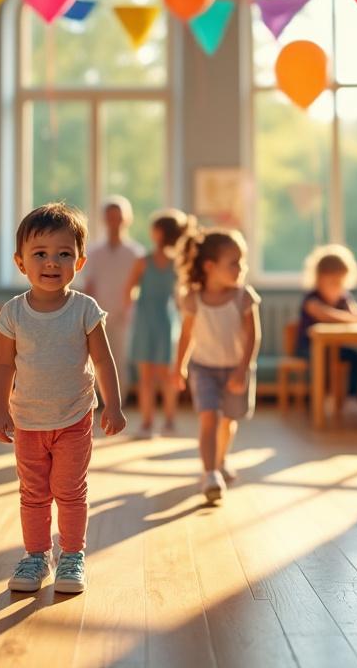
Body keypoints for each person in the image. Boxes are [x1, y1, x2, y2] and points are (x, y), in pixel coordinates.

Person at [0, 203, 124, 595]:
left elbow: (102, 359)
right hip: (28, 422)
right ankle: (36, 555)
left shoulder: (84, 309)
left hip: (73, 418)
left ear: (79, 262)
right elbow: (3, 366)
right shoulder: (13, 313)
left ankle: (71, 555)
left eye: (64, 254)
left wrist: (113, 404)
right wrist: (0, 411)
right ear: (21, 263)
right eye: (40, 254)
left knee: (69, 490)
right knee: (33, 494)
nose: (52, 263)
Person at [172, 227, 261, 504]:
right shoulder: (193, 299)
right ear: (210, 266)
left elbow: (253, 336)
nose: (241, 268)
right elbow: (186, 335)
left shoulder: (243, 296)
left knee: (228, 421)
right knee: (208, 418)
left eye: (242, 261)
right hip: (204, 369)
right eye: (233, 262)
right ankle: (210, 473)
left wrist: (243, 369)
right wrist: (179, 367)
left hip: (235, 368)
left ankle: (221, 460)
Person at [124, 209, 190, 437]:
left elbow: (128, 291)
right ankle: (166, 423)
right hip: (166, 320)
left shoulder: (144, 261)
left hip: (151, 321)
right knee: (165, 376)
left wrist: (132, 310)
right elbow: (182, 299)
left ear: (159, 233)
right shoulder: (176, 264)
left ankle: (148, 424)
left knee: (147, 378)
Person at [81, 196, 144, 402]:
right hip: (97, 314)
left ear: (126, 219)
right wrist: (87, 314)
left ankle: (118, 400)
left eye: (118, 217)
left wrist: (128, 309)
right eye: (110, 217)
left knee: (119, 358)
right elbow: (89, 284)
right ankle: (97, 398)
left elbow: (138, 286)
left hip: (124, 314)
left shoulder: (136, 253)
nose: (114, 221)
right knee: (94, 357)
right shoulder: (94, 252)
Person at [295, 245, 357, 416]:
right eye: (332, 281)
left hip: (335, 347)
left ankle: (351, 397)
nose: (337, 286)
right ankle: (321, 398)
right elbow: (326, 315)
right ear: (319, 278)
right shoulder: (312, 298)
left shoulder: (344, 298)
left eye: (340, 282)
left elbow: (355, 316)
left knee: (356, 357)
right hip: (308, 347)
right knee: (324, 357)